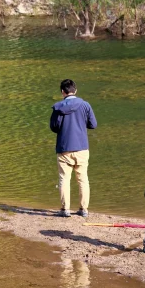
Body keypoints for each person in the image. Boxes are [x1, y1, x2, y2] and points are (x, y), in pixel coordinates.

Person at [50, 79, 97, 217]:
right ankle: (84, 210)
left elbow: (54, 127)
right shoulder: (85, 105)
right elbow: (93, 124)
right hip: (82, 147)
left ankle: (65, 210)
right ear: (75, 90)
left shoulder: (58, 108)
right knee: (83, 179)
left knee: (64, 179)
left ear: (62, 92)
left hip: (64, 147)